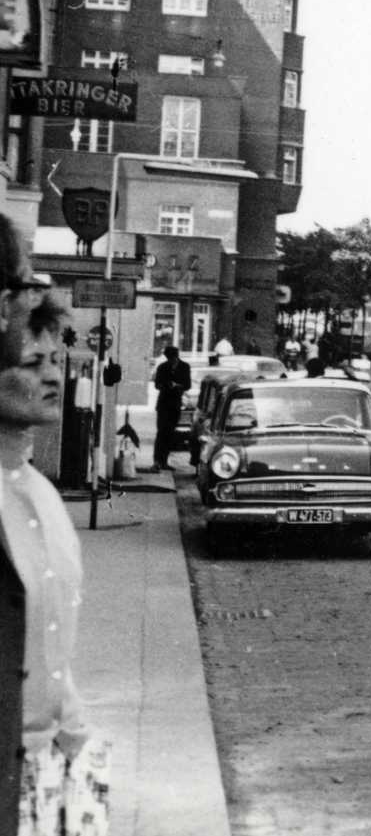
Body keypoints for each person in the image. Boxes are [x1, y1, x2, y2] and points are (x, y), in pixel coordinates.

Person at [0, 217, 110, 833]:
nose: (51, 375)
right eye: (31, 360)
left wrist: (86, 803)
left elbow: (56, 661)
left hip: (52, 772)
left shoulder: (42, 495)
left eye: (53, 359)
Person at [152, 345, 191, 471]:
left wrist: (177, 385)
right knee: (161, 432)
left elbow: (187, 385)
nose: (171, 361)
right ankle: (157, 461)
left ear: (176, 356)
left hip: (175, 403)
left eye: (172, 358)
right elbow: (157, 384)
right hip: (163, 403)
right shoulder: (162, 367)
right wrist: (166, 385)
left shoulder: (185, 367)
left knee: (170, 434)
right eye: (169, 358)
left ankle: (164, 461)